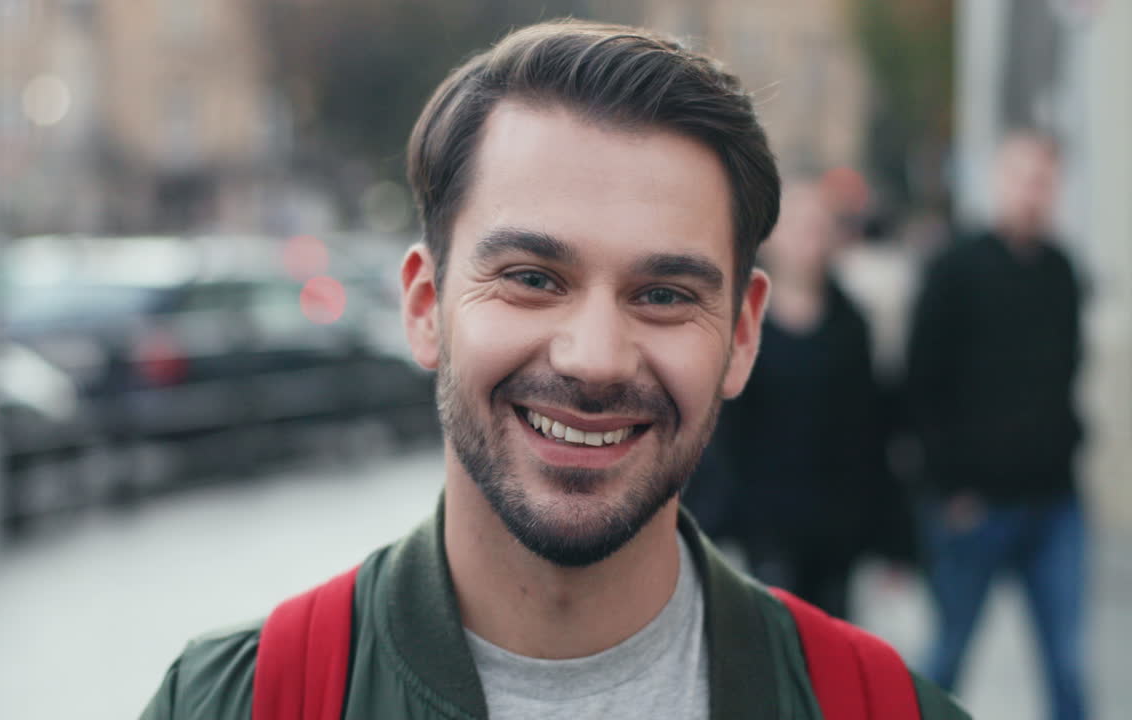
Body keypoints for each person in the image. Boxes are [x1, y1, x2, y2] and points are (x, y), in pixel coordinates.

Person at [140, 21, 969, 719]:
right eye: (533, 280)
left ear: (743, 335)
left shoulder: (882, 706)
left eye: (664, 294)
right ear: (427, 306)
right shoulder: (239, 703)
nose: (595, 358)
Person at [907, 131, 1087, 720]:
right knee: (947, 655)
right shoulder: (955, 269)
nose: (1032, 193)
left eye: (1044, 180)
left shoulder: (1062, 272)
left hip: (1055, 502)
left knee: (1066, 662)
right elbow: (919, 382)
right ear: (996, 181)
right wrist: (947, 485)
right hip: (974, 505)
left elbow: (1067, 373)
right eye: (1021, 177)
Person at [687, 181, 896, 620]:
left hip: (835, 529)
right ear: (774, 237)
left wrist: (885, 529)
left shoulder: (850, 323)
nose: (810, 239)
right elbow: (721, 427)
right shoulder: (740, 320)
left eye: (819, 227)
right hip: (762, 526)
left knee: (830, 655)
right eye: (799, 226)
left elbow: (869, 431)